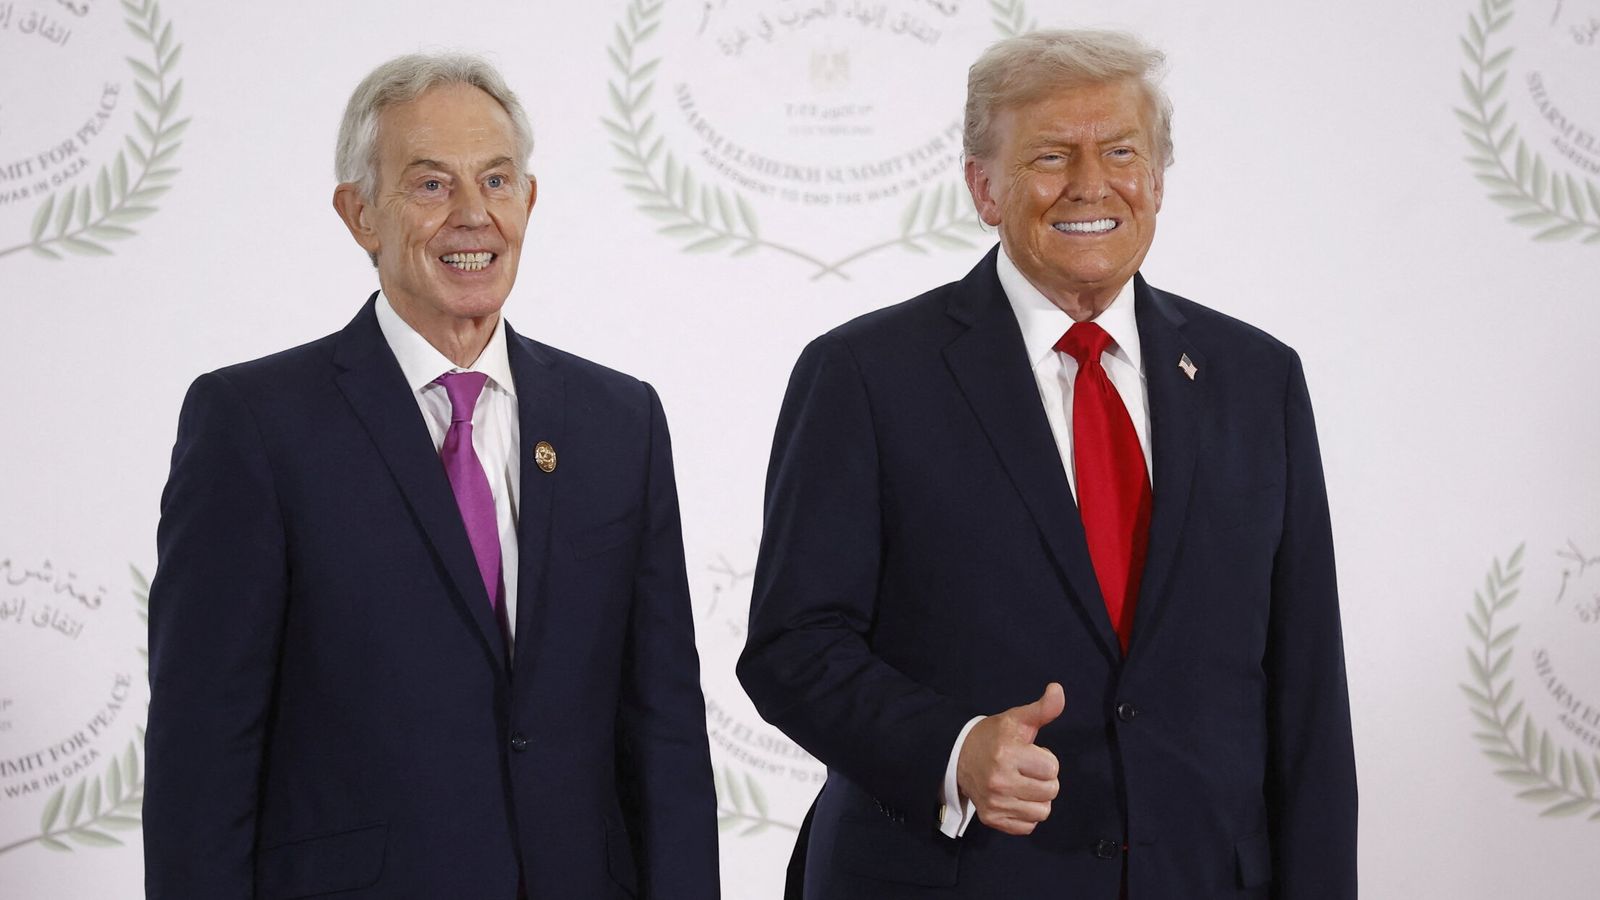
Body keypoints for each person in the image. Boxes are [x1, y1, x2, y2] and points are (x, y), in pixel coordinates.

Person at [737, 29, 1357, 899]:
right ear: (984, 188)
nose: (1091, 184)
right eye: (1051, 156)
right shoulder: (865, 375)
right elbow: (792, 648)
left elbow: (1307, 692)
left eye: (1121, 152)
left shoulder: (1258, 379)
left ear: (1158, 180)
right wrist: (953, 750)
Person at [143, 53, 719, 899]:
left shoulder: (618, 421)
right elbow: (202, 751)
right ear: (359, 214)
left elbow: (664, 728)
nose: (473, 214)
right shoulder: (255, 424)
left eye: (496, 180)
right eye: (431, 185)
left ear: (529, 200)